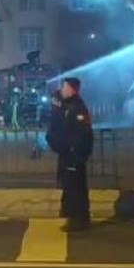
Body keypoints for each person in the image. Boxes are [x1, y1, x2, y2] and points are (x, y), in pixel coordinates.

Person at [47, 77, 93, 232]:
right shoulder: (68, 105)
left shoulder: (77, 107)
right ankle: (74, 218)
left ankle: (79, 220)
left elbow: (82, 134)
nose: (62, 90)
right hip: (68, 154)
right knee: (70, 187)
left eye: (65, 87)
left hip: (74, 155)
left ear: (72, 89)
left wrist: (75, 151)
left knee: (76, 188)